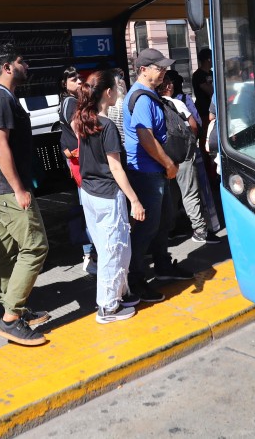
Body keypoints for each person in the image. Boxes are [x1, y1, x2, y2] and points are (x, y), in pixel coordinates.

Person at [0, 44, 50, 346]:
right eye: (22, 61)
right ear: (7, 67)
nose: (27, 66)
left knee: (6, 250)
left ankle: (13, 306)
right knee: (35, 247)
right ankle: (10, 320)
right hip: (7, 190)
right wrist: (19, 188)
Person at [73, 70, 145, 323]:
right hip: (108, 194)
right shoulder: (107, 126)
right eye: (115, 88)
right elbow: (116, 168)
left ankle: (119, 293)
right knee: (114, 250)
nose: (118, 92)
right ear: (107, 93)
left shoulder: (83, 120)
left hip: (90, 193)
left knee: (108, 249)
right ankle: (108, 306)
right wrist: (135, 200)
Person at [123, 48, 194, 303]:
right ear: (144, 69)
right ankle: (136, 279)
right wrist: (168, 164)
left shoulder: (148, 94)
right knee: (147, 227)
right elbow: (145, 137)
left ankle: (162, 266)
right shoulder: (141, 98)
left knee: (163, 222)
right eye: (159, 67)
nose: (164, 71)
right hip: (147, 171)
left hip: (156, 171)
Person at [158, 71, 221, 245]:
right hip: (183, 154)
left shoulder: (153, 103)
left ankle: (170, 229)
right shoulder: (177, 102)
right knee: (190, 192)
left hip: (164, 156)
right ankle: (200, 230)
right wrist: (190, 144)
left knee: (172, 194)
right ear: (168, 86)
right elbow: (194, 125)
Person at [57, 66, 96, 276]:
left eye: (80, 78)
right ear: (65, 84)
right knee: (89, 207)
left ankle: (89, 254)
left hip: (77, 161)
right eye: (73, 79)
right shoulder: (71, 102)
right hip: (83, 162)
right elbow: (79, 131)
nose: (79, 81)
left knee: (86, 205)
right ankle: (89, 255)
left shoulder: (67, 102)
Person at [191, 48, 213, 122]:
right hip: (204, 111)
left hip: (213, 109)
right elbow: (211, 91)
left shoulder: (212, 73)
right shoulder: (198, 75)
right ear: (209, 59)